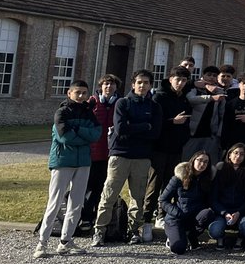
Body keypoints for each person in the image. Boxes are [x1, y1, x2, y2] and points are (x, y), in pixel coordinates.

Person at [93, 70, 162, 248]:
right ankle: (99, 230)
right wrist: (144, 126)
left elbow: (155, 133)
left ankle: (133, 231)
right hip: (120, 155)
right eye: (139, 82)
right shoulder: (122, 103)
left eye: (146, 82)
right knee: (109, 195)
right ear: (133, 84)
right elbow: (121, 129)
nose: (142, 85)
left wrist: (135, 127)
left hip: (142, 157)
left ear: (150, 85)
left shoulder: (154, 107)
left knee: (137, 197)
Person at [34, 81, 102, 258]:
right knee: (55, 202)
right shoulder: (62, 112)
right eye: (77, 92)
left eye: (84, 93)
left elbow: (96, 134)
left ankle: (66, 240)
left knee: (77, 203)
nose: (81, 96)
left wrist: (79, 130)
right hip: (63, 161)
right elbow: (65, 137)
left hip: (83, 162)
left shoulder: (88, 113)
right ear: (69, 93)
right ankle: (42, 242)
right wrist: (84, 136)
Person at [145, 66, 196, 237]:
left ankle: (162, 214)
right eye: (178, 79)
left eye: (184, 80)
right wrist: (172, 122)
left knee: (170, 184)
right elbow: (155, 122)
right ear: (171, 78)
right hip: (159, 147)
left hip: (176, 148)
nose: (180, 83)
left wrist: (183, 137)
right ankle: (146, 218)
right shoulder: (159, 97)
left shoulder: (184, 99)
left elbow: (187, 122)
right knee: (154, 183)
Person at [158, 149, 216, 255]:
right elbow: (163, 200)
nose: (202, 164)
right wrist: (177, 213)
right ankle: (173, 237)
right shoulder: (178, 178)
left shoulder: (207, 180)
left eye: (206, 162)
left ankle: (191, 236)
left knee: (208, 214)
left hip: (193, 218)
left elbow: (210, 201)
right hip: (176, 217)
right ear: (193, 160)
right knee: (178, 249)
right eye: (200, 160)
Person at [81, 73, 119, 231]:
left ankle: (101, 217)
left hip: (109, 153)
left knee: (105, 187)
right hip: (93, 152)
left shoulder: (118, 103)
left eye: (112, 84)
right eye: (106, 84)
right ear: (100, 87)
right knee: (89, 187)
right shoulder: (92, 102)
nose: (108, 87)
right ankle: (86, 218)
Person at [209, 143, 245, 251]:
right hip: (222, 212)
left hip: (241, 212)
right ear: (229, 154)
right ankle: (220, 238)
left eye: (242, 154)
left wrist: (239, 212)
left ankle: (240, 239)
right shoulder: (220, 171)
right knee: (214, 231)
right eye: (235, 153)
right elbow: (213, 199)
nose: (238, 156)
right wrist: (224, 213)